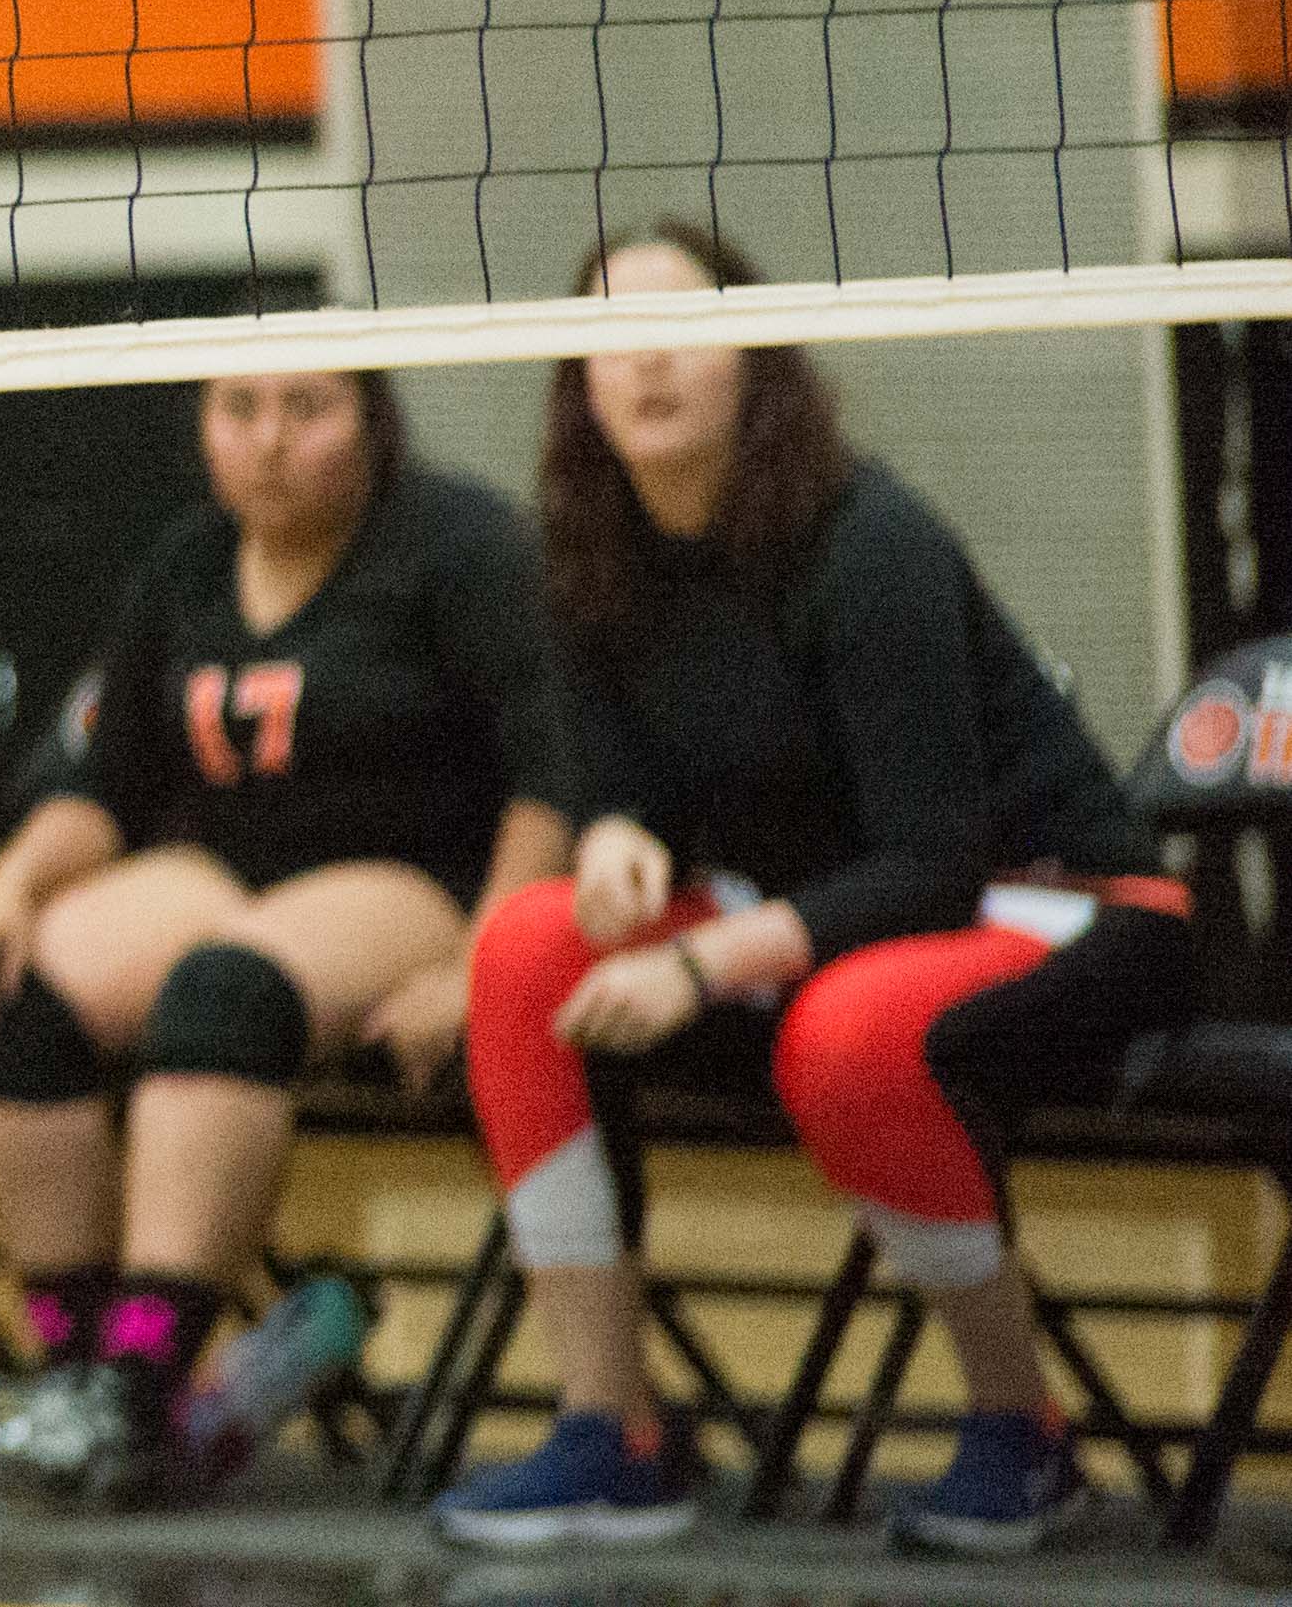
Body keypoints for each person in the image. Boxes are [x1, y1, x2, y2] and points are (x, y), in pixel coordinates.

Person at [432, 220, 1191, 1557]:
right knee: (526, 947)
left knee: (846, 1030)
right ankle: (616, 1431)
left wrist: (695, 965)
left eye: (682, 325)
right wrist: (614, 840)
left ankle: (1026, 1429)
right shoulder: (590, 559)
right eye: (610, 336)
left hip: (1061, 903)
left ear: (757, 362)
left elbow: (933, 861)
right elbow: (622, 788)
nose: (647, 359)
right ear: (575, 380)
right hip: (830, 923)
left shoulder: (866, 541)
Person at [0, 370, 569, 1501]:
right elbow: (106, 777)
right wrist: (4, 890)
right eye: (240, 410)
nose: (270, 442)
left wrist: (481, 963)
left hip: (415, 876)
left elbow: (552, 773)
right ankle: (75, 1365)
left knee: (221, 991)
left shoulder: (462, 548)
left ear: (373, 419)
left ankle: (138, 1385)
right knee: (17, 996)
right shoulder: (185, 560)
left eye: (308, 410)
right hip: (229, 866)